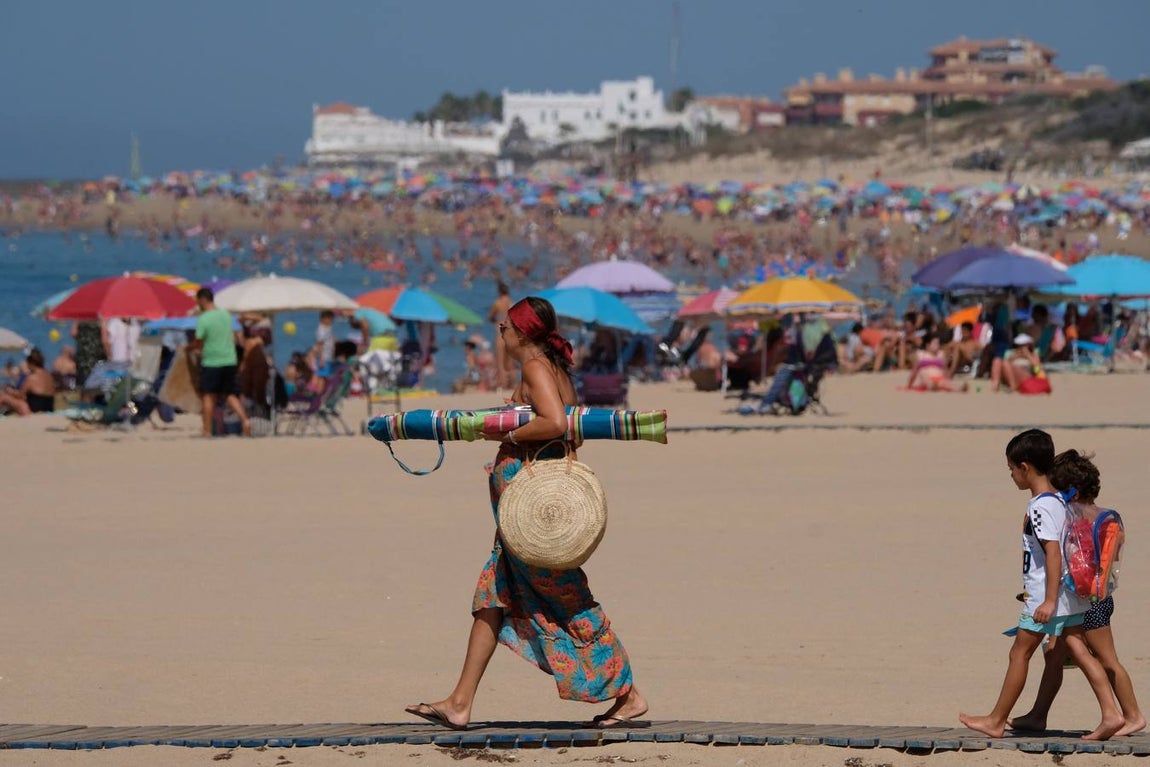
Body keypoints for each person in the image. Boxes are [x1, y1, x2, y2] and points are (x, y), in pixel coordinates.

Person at [404, 296, 647, 731]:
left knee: (569, 600)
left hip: (534, 520)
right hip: (524, 517)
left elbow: (554, 423)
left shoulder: (537, 368)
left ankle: (629, 695)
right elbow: (570, 431)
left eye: (506, 326)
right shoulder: (549, 370)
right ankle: (460, 702)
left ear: (525, 332)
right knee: (492, 597)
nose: (500, 330)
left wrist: (508, 432)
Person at [959, 429, 1123, 741]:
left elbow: (1052, 552)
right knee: (1078, 649)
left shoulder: (1040, 506)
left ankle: (996, 720)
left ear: (1025, 467)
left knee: (1019, 653)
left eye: (1011, 469)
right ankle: (1111, 713)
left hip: (1048, 597)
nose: (1011, 476)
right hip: (1067, 595)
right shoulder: (1059, 502)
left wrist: (1047, 600)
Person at [1008, 450, 1145, 737]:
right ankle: (1037, 714)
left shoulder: (1080, 522)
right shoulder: (1103, 518)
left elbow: (1071, 563)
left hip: (1086, 599)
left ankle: (1131, 715)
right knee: (1054, 655)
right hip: (1094, 597)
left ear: (1071, 490)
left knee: (1106, 659)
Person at [191, 287, 250, 437]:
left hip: (212, 361)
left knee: (208, 395)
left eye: (198, 301)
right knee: (230, 394)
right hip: (230, 360)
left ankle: (207, 430)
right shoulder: (226, 315)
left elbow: (199, 341)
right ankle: (245, 421)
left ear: (202, 300)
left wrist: (195, 349)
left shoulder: (204, 318)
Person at [0, 348, 56, 416]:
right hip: (49, 409)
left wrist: (9, 391)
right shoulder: (49, 375)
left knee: (3, 396)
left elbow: (21, 395)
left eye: (27, 362)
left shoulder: (31, 378)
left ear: (31, 363)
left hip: (33, 412)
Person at [487, 281, 513, 390]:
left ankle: (502, 385)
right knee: (510, 363)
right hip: (511, 334)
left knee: (500, 363)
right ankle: (512, 385)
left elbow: (490, 317)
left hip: (500, 333)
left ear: (499, 291)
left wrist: (495, 320)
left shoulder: (497, 303)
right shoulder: (512, 303)